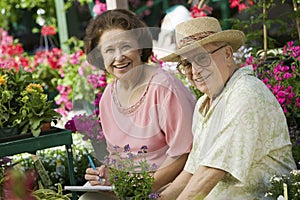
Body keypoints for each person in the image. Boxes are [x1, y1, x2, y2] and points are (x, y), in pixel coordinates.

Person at [158, 16, 296, 200]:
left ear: (228, 54)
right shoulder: (204, 104)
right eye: (187, 64)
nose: (195, 70)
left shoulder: (246, 92)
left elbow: (212, 171)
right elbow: (192, 171)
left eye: (202, 58)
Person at [80, 9, 196, 199]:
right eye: (109, 50)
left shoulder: (164, 88)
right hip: (129, 190)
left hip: (168, 189)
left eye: (125, 46)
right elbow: (118, 156)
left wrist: (140, 189)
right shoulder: (108, 96)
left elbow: (183, 156)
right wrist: (107, 175)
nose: (119, 57)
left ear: (140, 48)